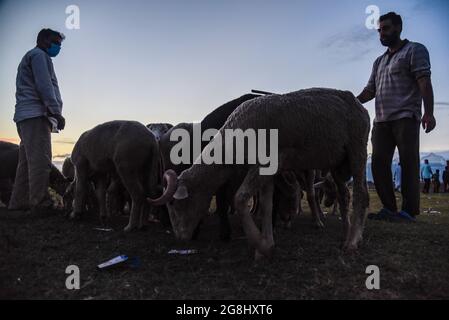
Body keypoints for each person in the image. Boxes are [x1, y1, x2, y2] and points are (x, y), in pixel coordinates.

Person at [357, 12, 436, 222]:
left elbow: (424, 82)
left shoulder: (414, 50)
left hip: (406, 117)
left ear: (398, 28)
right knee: (378, 163)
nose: (382, 34)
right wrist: (349, 102)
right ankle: (390, 208)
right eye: (379, 30)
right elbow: (369, 90)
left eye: (386, 29)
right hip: (381, 121)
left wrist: (429, 112)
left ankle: (409, 212)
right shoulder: (379, 62)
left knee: (408, 163)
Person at [8, 29, 66, 214]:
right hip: (35, 115)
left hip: (25, 117)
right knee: (41, 161)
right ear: (44, 40)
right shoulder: (40, 56)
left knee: (26, 163)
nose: (58, 46)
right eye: (55, 42)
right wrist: (56, 112)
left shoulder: (30, 56)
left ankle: (19, 202)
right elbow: (44, 85)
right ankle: (41, 203)